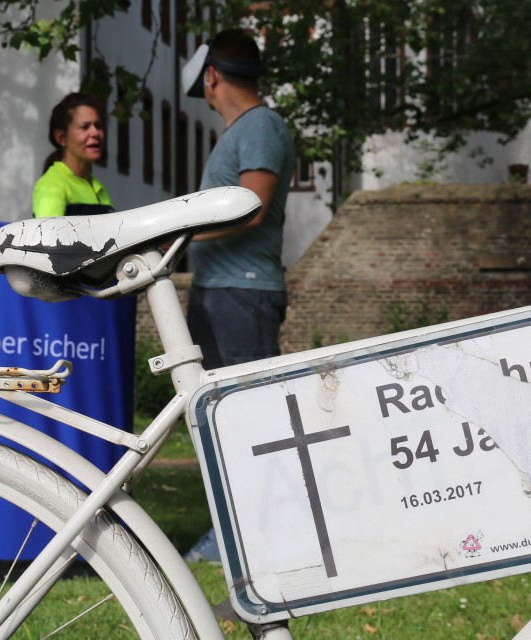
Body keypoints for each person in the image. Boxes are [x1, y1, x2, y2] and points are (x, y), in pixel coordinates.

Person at [178, 29, 296, 562]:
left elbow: (251, 207)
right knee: (221, 420)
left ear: (211, 77)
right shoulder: (241, 131)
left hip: (241, 296)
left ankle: (258, 541)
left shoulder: (262, 126)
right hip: (221, 294)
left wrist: (175, 233)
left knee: (248, 421)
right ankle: (236, 537)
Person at [32, 93, 113, 217]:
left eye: (98, 126)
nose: (95, 133)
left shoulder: (98, 186)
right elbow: (48, 235)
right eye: (85, 127)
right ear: (61, 137)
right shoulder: (52, 185)